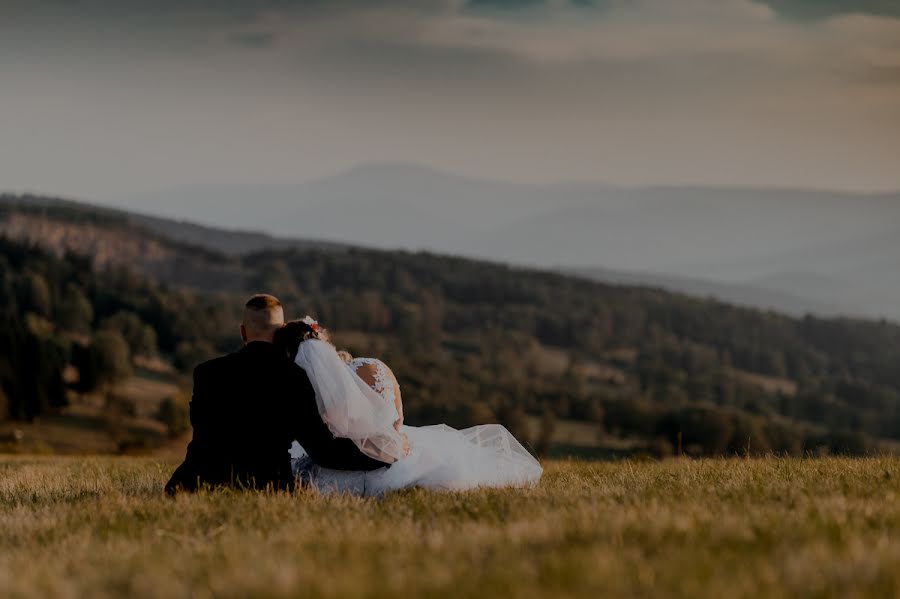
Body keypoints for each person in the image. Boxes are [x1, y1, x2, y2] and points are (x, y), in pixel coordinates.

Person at [274, 318, 543, 497]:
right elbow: (398, 418)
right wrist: (393, 439)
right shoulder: (374, 366)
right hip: (400, 449)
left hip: (355, 468)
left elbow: (328, 447)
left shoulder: (314, 393)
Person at [164, 295, 390, 495]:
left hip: (192, 484)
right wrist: (381, 457)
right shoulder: (295, 377)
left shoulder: (206, 372)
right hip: (263, 487)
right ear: (282, 330)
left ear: (243, 331)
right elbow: (324, 451)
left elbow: (202, 429)